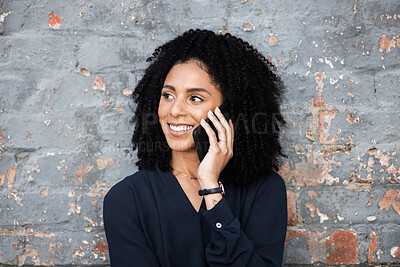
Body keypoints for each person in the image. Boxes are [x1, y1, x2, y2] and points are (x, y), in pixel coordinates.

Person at [103, 29, 287, 266]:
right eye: (168, 95)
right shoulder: (127, 200)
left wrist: (210, 187)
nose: (175, 111)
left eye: (195, 98)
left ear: (229, 112)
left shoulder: (264, 190)